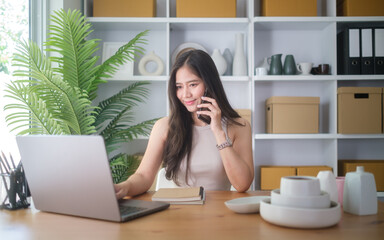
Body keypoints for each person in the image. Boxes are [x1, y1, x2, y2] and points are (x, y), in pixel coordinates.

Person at [115, 49, 254, 199]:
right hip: (178, 213)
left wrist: (218, 132)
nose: (185, 94)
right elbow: (143, 176)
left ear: (209, 84)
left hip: (219, 212)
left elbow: (242, 184)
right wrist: (124, 187)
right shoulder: (164, 127)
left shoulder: (239, 126)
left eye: (193, 85)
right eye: (179, 87)